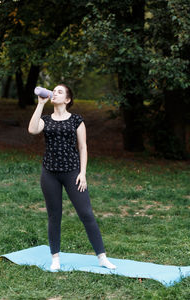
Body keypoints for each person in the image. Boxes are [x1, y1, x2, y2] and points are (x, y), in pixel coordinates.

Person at [28, 84, 116, 270]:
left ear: (67, 99)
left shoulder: (76, 120)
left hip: (72, 173)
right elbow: (32, 129)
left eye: (60, 92)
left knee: (86, 214)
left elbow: (83, 147)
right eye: (54, 91)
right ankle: (55, 259)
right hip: (49, 173)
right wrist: (40, 104)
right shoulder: (45, 119)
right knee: (54, 215)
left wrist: (82, 173)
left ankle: (102, 257)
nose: (55, 93)